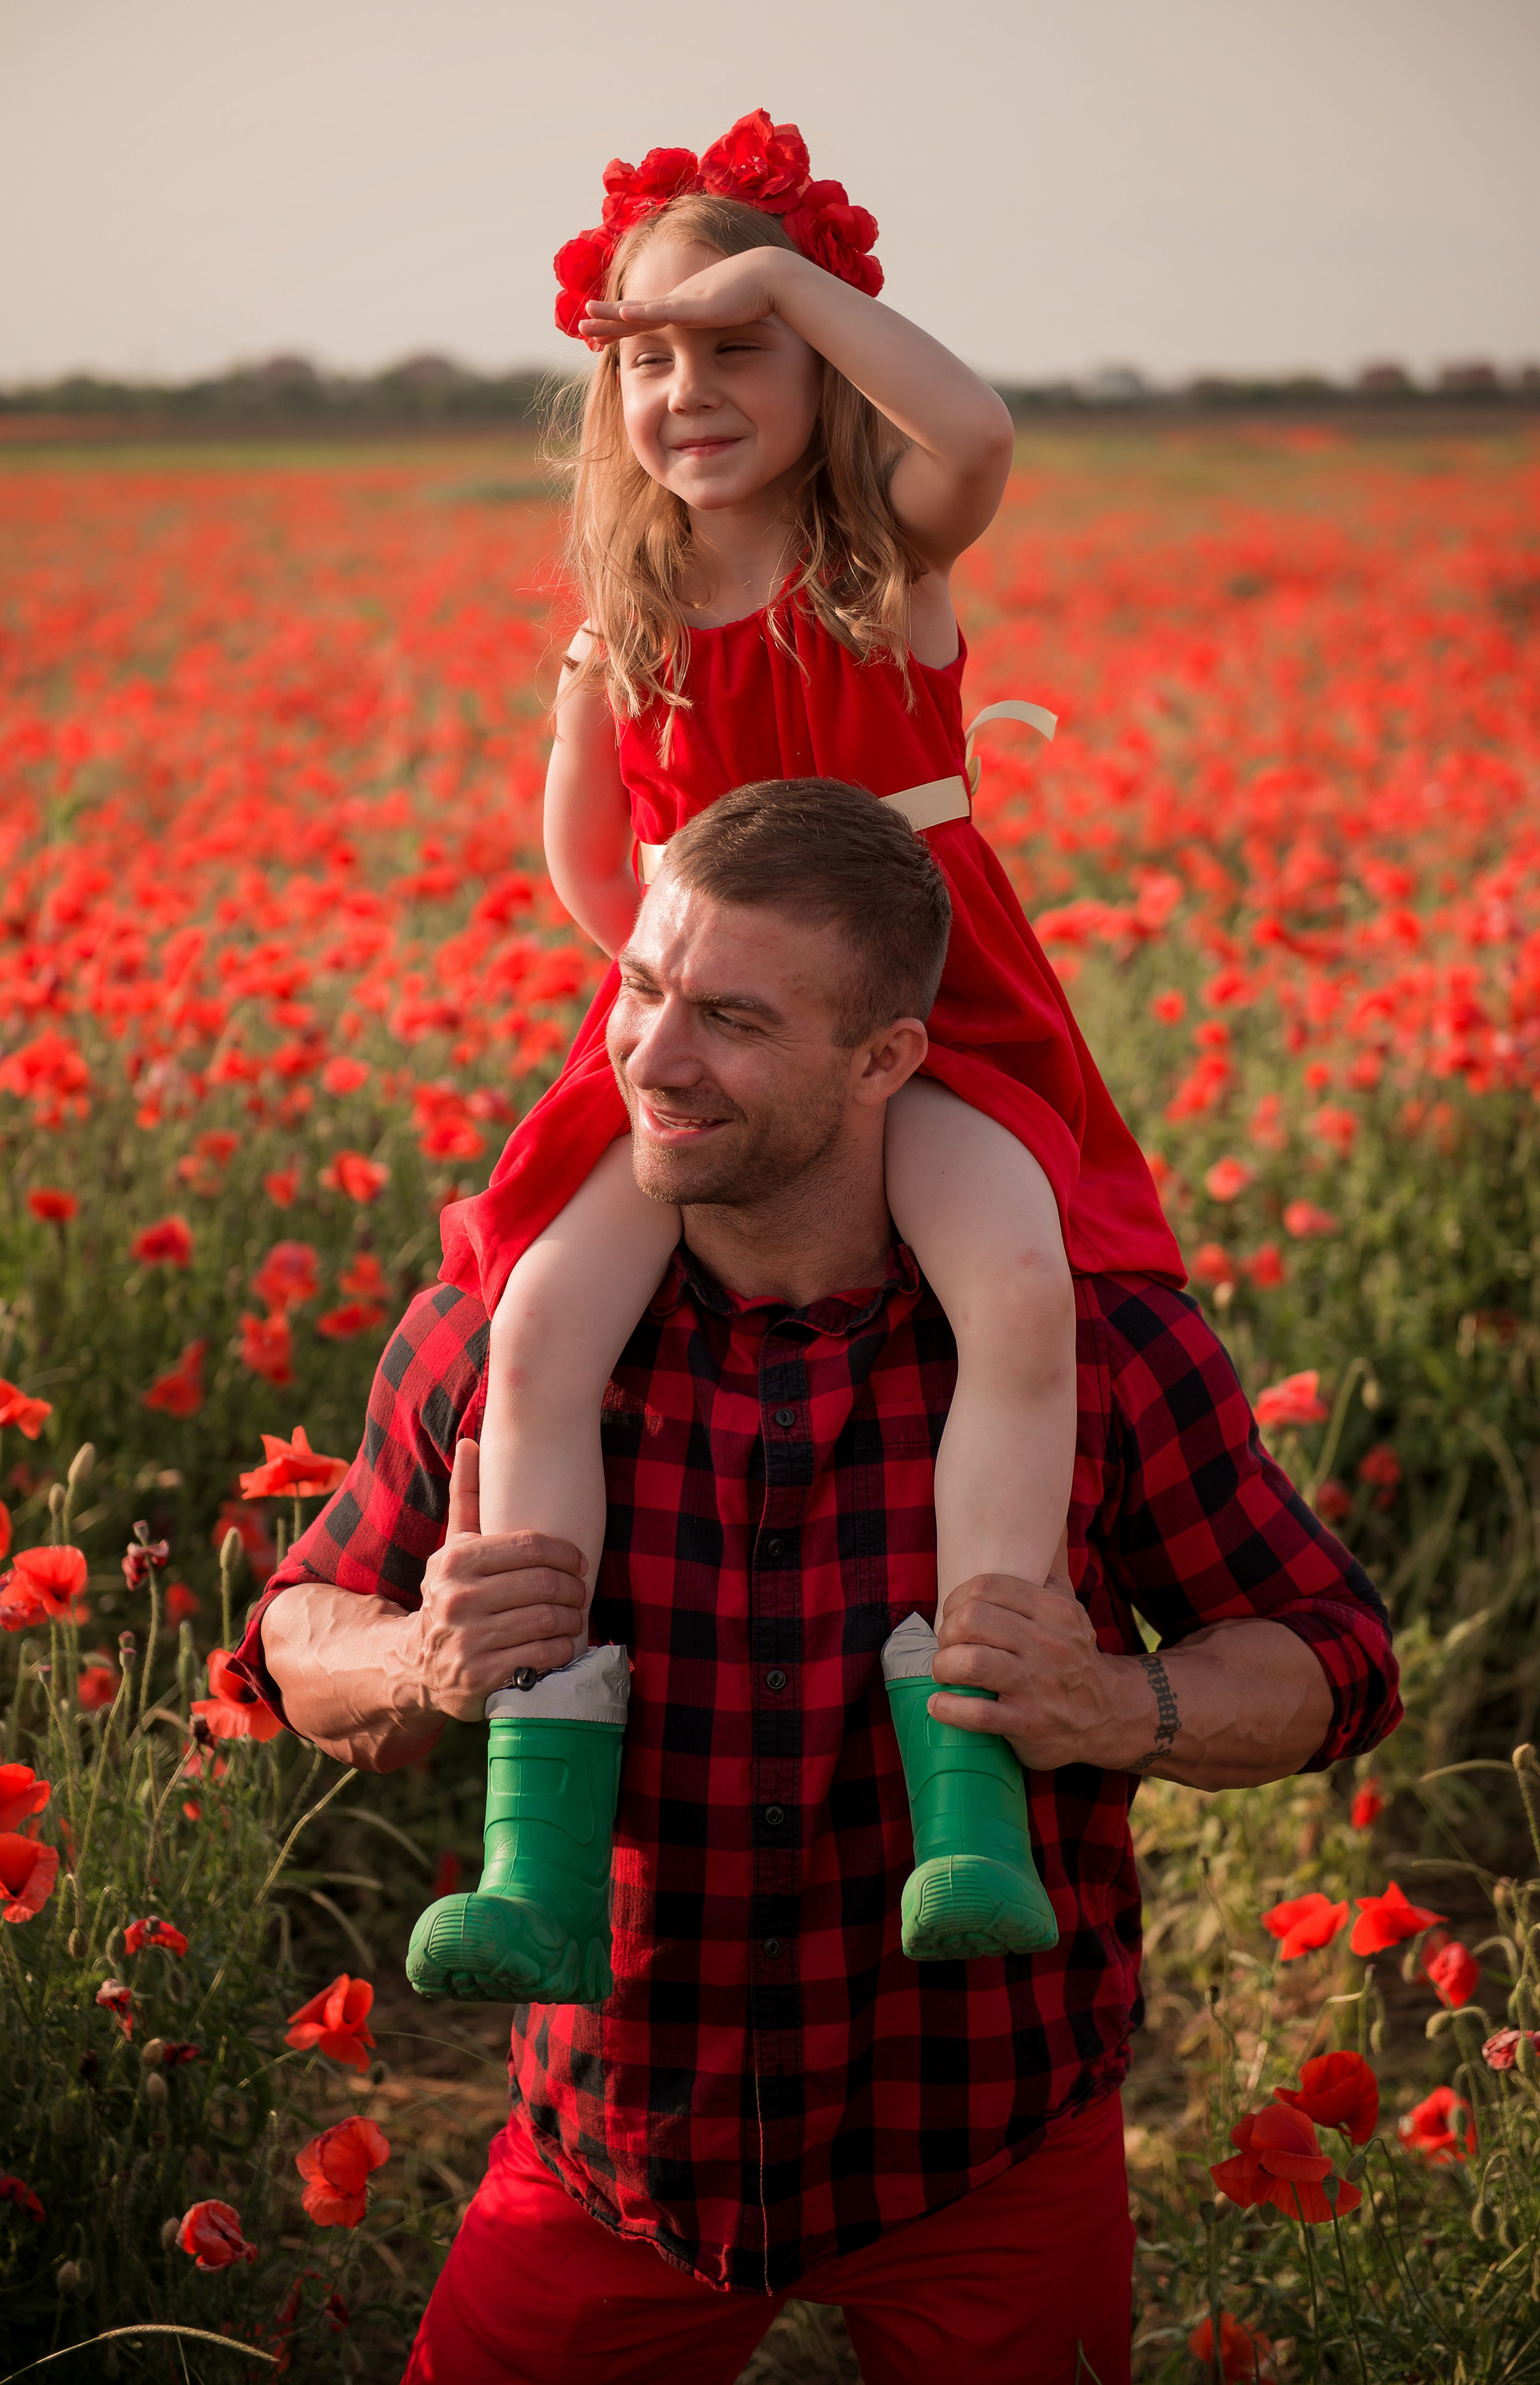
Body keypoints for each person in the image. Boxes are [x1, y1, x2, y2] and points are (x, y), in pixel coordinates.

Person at [234, 780, 1401, 2385]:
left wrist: (1113, 1701)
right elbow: (294, 1638)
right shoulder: (497, 1338)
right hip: (616, 2153)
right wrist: (417, 1660)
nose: (650, 1057)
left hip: (983, 2139)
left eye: (729, 1018)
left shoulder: (1095, 1345)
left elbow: (1333, 1656)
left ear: (884, 1059)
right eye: (640, 988)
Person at [434, 107, 1187, 1987]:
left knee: (1015, 1288)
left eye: (738, 344)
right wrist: (689, 1007)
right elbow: (591, 864)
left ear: (821, 357)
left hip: (936, 1021)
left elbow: (979, 430)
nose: (688, 390)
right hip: (717, 1032)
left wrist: (785, 270)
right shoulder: (623, 623)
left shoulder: (881, 556)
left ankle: (970, 1786)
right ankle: (539, 1828)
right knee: (536, 1325)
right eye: (648, 357)